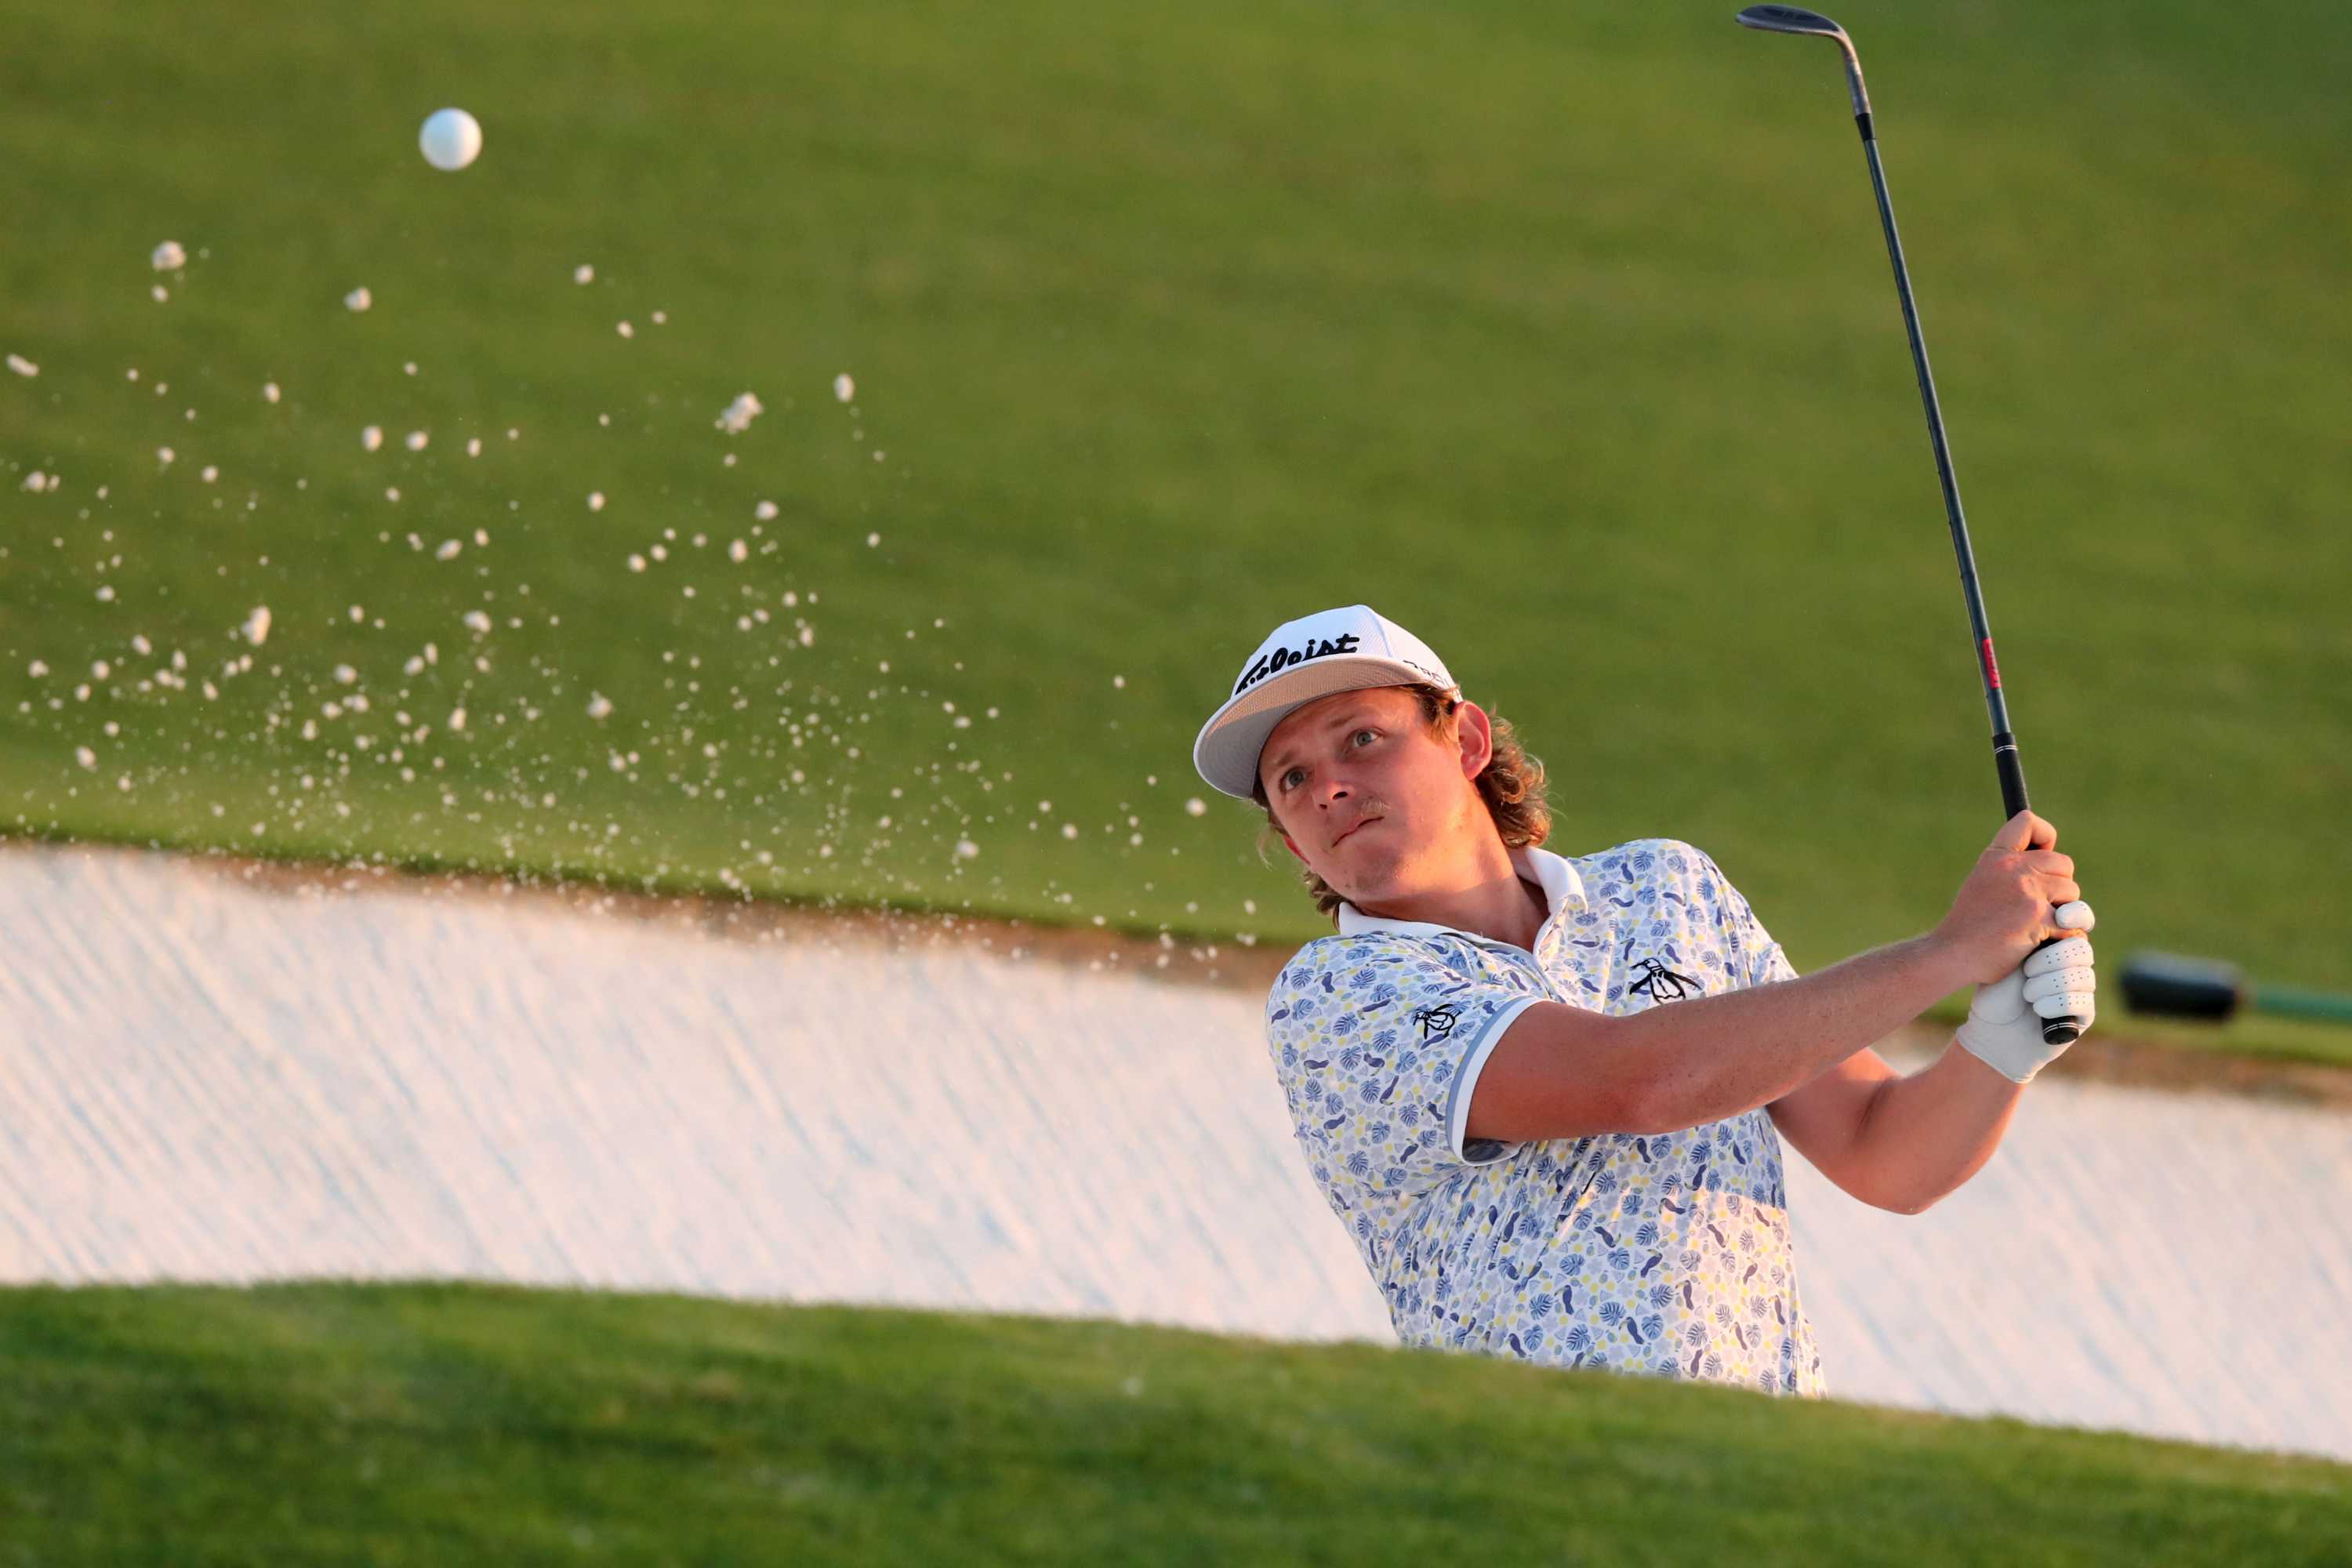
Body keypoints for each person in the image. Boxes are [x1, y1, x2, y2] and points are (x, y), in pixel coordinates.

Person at [1190, 604, 2096, 1396]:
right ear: (1294, 843)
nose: (1331, 786)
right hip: (1545, 1483)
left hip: (1772, 1469)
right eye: (1292, 779)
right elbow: (1642, 1081)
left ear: (1463, 741)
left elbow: (1883, 1151)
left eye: (1361, 737)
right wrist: (1947, 952)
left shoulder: (1670, 887)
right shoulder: (1333, 1000)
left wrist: (2003, 1041)